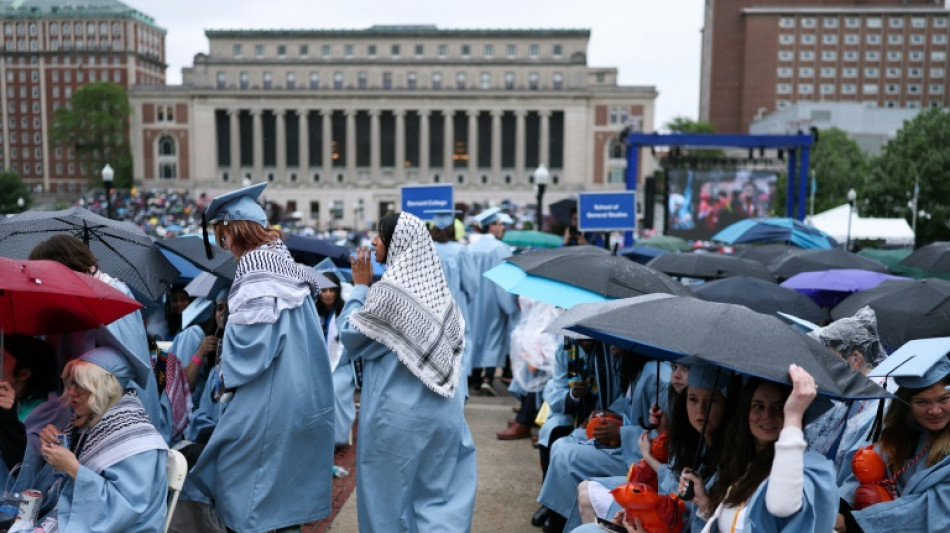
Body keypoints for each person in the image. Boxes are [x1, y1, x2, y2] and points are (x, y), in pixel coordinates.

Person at [189, 182, 335, 533]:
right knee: (283, 499)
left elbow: (251, 355)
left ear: (234, 230)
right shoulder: (287, 267)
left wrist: (228, 330)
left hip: (268, 404)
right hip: (303, 399)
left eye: (223, 234)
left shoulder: (255, 272)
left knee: (244, 493)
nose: (222, 243)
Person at [340, 211, 477, 532]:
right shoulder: (443, 300)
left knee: (387, 504)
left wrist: (360, 288)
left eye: (380, 237)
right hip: (444, 417)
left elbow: (350, 336)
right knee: (438, 503)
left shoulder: (388, 294)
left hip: (395, 423)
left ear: (398, 244)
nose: (373, 243)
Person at [29, 234, 171, 443]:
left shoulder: (111, 294)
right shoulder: (63, 301)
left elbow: (127, 367)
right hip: (77, 413)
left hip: (115, 417)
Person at [686, 365, 837, 533]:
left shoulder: (810, 469)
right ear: (746, 411)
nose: (768, 415)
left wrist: (793, 416)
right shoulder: (744, 466)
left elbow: (781, 505)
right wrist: (705, 504)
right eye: (758, 406)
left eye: (779, 407)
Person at [37, 346, 168, 532]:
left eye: (81, 386)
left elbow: (125, 508)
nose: (72, 392)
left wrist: (73, 469)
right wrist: (54, 445)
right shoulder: (90, 422)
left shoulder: (136, 439)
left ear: (106, 390)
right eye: (71, 383)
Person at [538, 349, 670, 533]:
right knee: (561, 444)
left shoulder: (658, 376)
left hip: (638, 459)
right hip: (627, 446)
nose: (608, 346)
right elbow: (629, 408)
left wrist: (621, 432)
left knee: (565, 456)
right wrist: (612, 415)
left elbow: (664, 439)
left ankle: (557, 522)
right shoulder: (636, 367)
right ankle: (557, 516)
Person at [836, 344, 950, 532]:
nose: (935, 410)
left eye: (944, 399)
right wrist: (842, 504)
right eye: (922, 402)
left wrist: (854, 522)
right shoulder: (900, 433)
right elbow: (869, 473)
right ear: (905, 405)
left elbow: (931, 508)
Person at [0, 335, 72, 487]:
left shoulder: (51, 411)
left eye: (3, 359)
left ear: (23, 374)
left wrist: (7, 417)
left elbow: (26, 462)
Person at [467, 207, 519, 396]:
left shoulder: (470, 248)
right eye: (499, 224)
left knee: (475, 336)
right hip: (493, 300)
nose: (502, 228)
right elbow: (503, 278)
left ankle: (473, 377)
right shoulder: (500, 248)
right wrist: (509, 304)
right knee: (493, 336)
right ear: (490, 227)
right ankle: (488, 378)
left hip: (473, 301)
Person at [429, 209, 478, 393]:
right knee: (459, 350)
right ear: (452, 228)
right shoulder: (460, 251)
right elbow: (472, 285)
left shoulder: (425, 250)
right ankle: (457, 392)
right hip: (456, 310)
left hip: (429, 309)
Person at [316, 271, 357, 448]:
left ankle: (335, 439)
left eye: (332, 290)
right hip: (317, 368)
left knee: (333, 389)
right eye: (323, 290)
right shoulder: (312, 313)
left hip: (342, 367)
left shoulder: (345, 313)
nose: (328, 294)